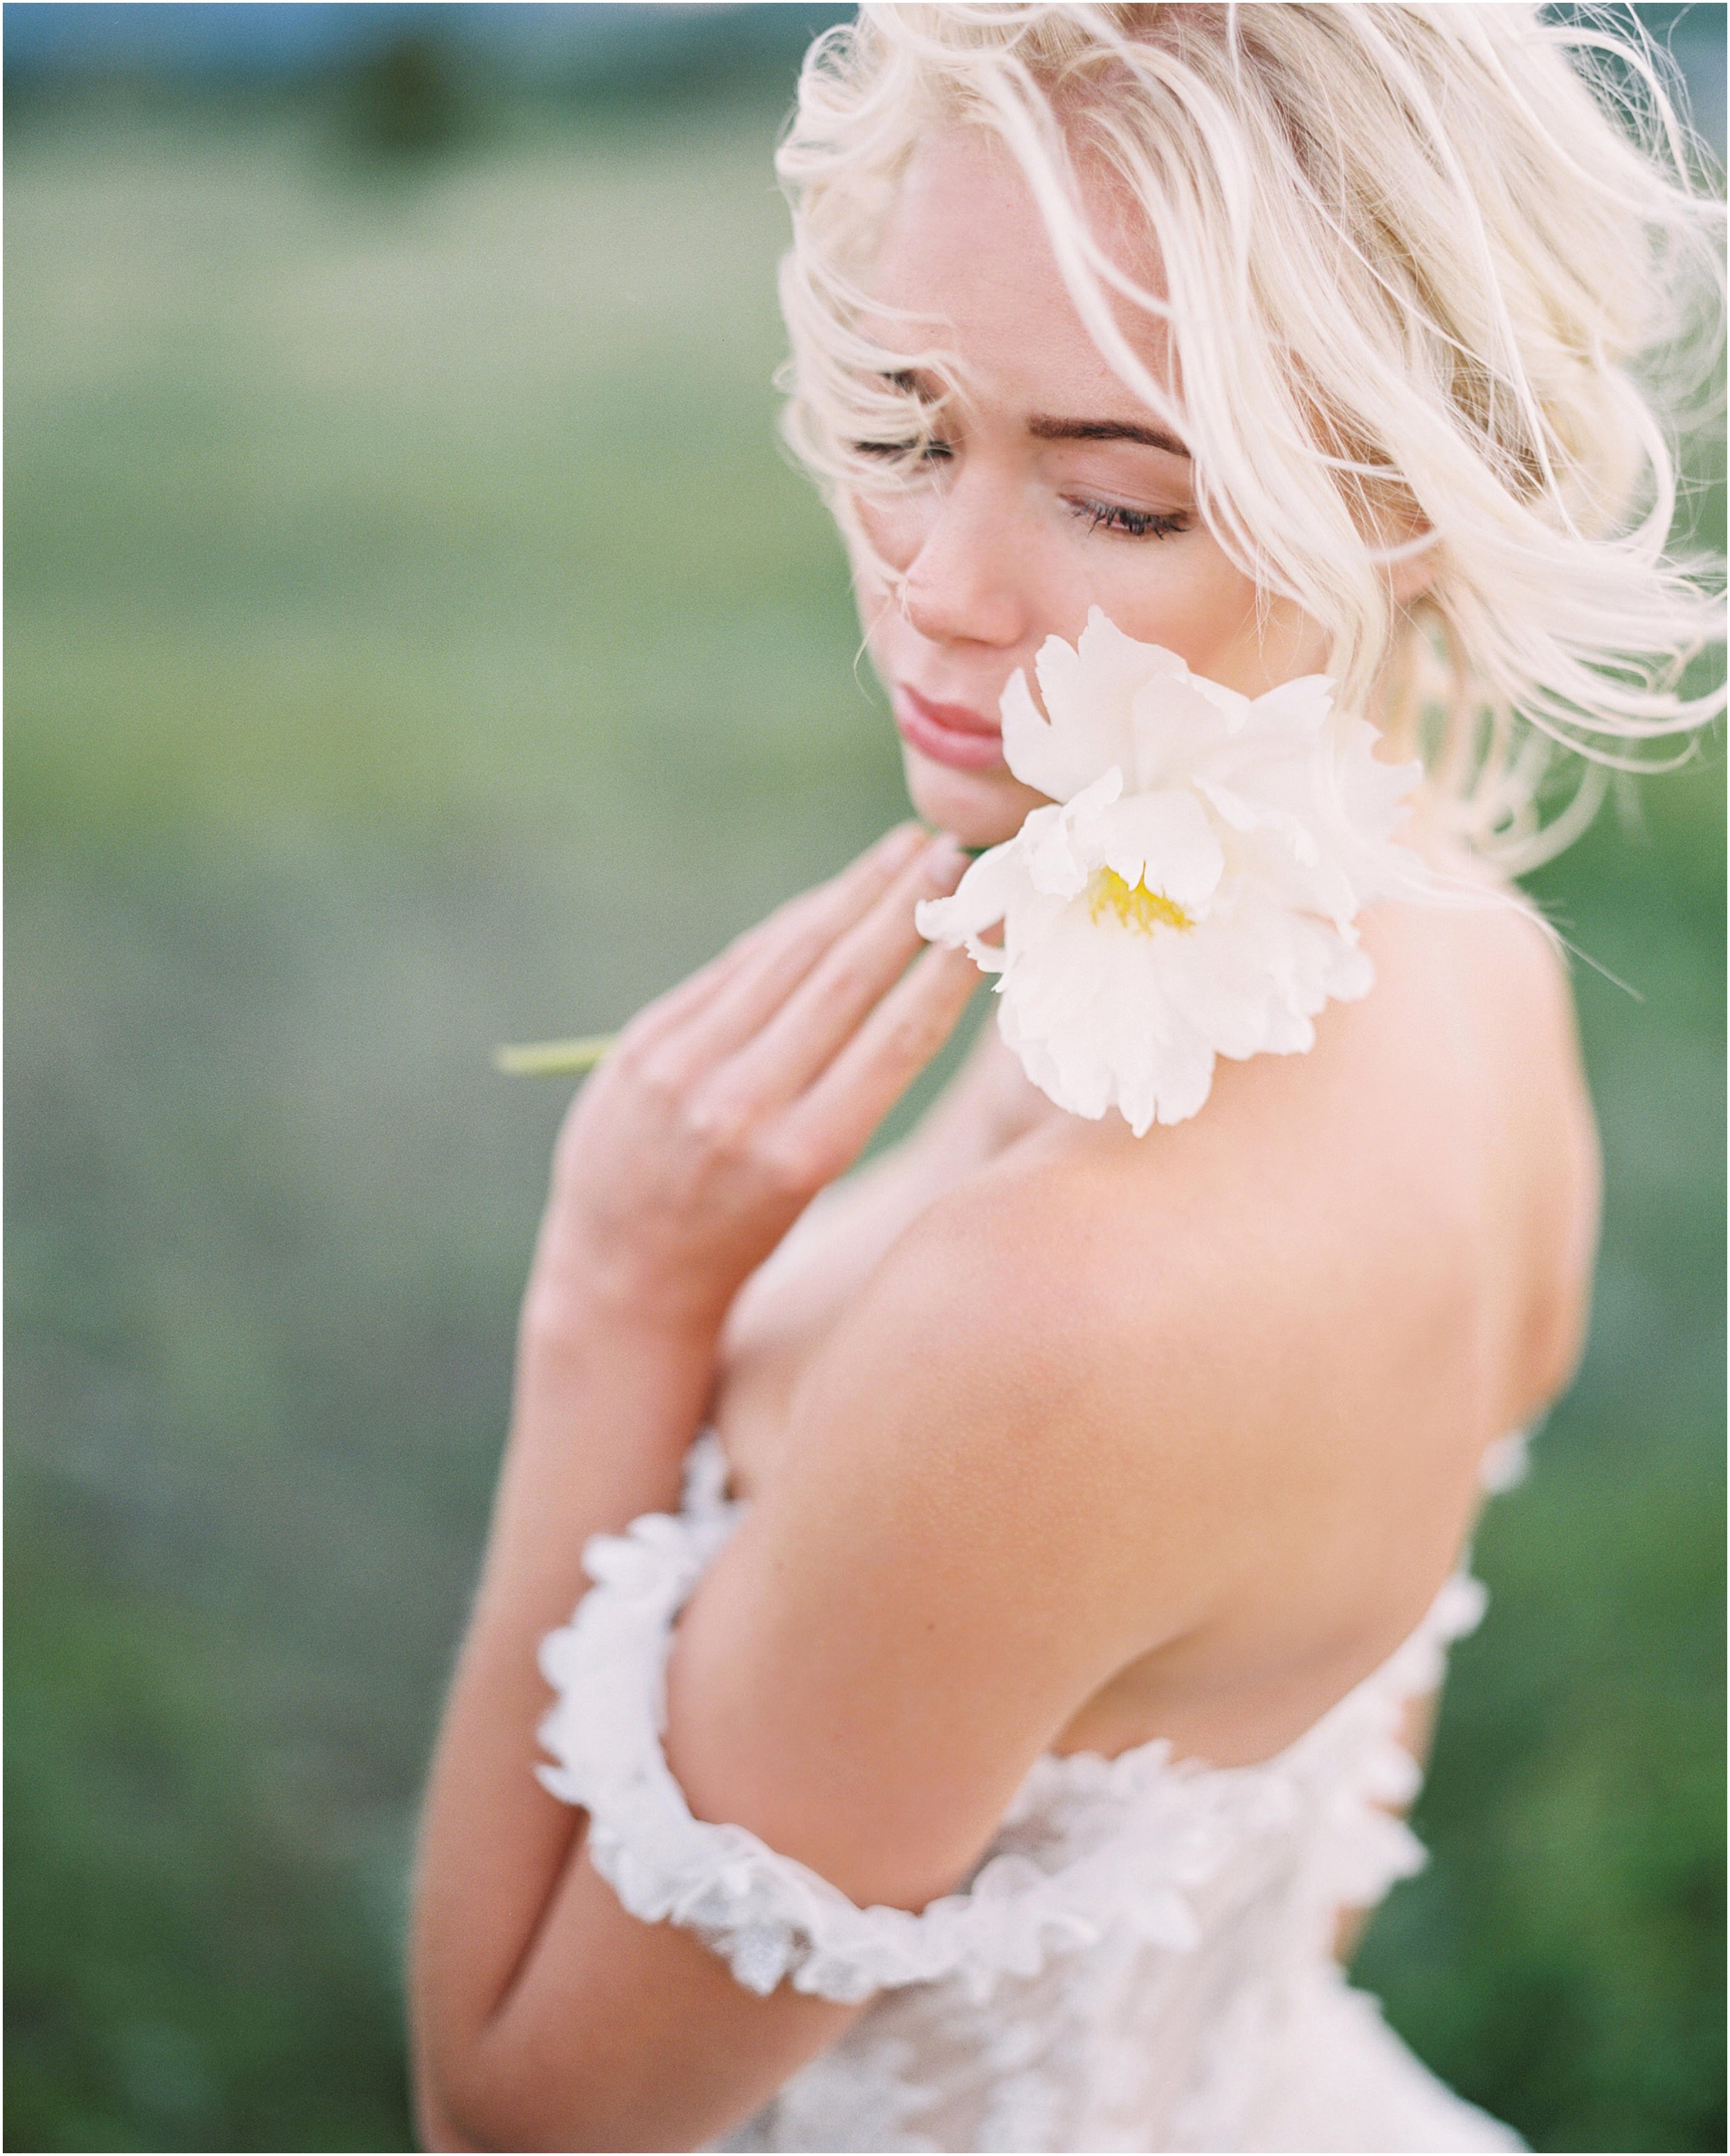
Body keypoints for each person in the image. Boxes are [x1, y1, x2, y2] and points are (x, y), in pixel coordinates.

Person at [408, 7, 1722, 2149]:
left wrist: (615, 1301)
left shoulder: (1054, 1320)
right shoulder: (1467, 951)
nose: (932, 588)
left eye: (1114, 497)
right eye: (905, 432)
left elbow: (520, 2122)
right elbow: (1296, 1799)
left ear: (1405, 494)